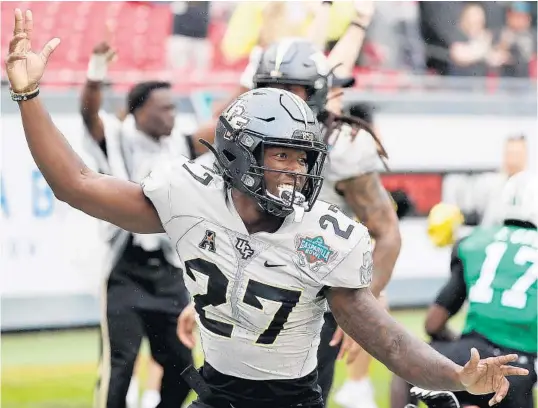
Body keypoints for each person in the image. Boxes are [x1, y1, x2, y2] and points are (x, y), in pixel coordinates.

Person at [5, 9, 529, 408]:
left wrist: (453, 375)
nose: (294, 170)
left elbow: (387, 339)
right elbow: (75, 183)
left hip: (290, 397)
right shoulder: (191, 193)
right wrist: (28, 96)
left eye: (302, 157)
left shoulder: (324, 234)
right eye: (280, 155)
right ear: (237, 153)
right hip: (214, 388)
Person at [79, 35, 194, 408]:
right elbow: (88, 113)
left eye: (175, 108)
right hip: (125, 271)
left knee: (182, 369)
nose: (171, 116)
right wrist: (96, 71)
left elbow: (217, 124)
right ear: (138, 112)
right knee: (120, 365)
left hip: (168, 273)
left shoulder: (178, 143)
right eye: (164, 109)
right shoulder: (115, 136)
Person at [391, 171, 538, 408]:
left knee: (406, 364)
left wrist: (462, 346)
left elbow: (433, 323)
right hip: (516, 370)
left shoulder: (475, 242)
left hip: (469, 359)